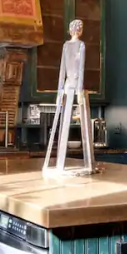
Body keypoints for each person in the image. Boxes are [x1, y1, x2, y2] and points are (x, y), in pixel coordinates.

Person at [43, 19, 95, 177]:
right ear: (79, 30)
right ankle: (86, 164)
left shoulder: (66, 46)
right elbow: (81, 68)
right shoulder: (81, 45)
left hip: (67, 85)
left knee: (64, 122)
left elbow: (62, 70)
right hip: (74, 85)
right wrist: (79, 88)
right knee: (67, 123)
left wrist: (60, 89)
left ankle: (61, 165)